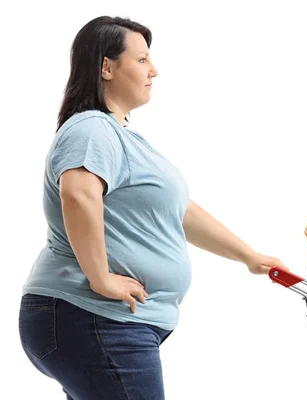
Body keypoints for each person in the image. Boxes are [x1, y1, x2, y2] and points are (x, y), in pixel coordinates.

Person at [18, 16, 287, 400]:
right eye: (142, 59)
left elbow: (180, 212)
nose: (154, 70)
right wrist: (101, 279)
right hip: (93, 316)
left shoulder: (122, 138)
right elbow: (77, 196)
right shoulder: (91, 129)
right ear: (106, 67)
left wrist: (249, 256)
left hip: (103, 323)